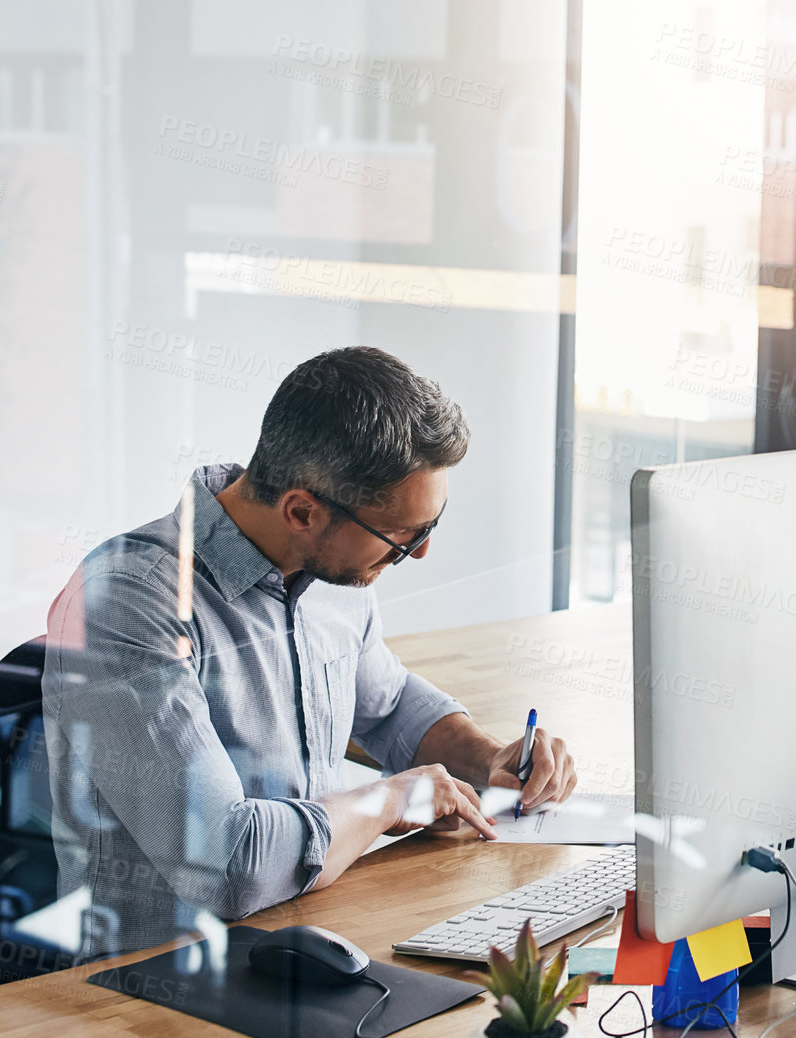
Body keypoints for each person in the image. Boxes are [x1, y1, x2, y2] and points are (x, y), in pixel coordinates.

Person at [42, 346, 578, 960]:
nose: (420, 553)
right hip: (160, 986)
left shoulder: (334, 573)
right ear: (302, 510)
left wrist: (489, 759)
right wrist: (389, 799)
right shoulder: (127, 603)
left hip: (318, 939)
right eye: (402, 535)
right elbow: (225, 863)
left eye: (430, 525)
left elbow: (386, 703)